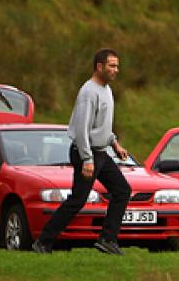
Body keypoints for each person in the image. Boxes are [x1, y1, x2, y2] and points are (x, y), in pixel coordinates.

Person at [33, 48, 131, 255]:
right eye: (112, 66)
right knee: (78, 200)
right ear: (99, 67)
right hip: (86, 153)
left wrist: (114, 143)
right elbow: (81, 129)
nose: (116, 70)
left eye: (117, 66)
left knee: (122, 190)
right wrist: (87, 159)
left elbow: (101, 125)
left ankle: (107, 239)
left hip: (101, 153)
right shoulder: (88, 92)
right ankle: (43, 241)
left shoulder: (106, 90)